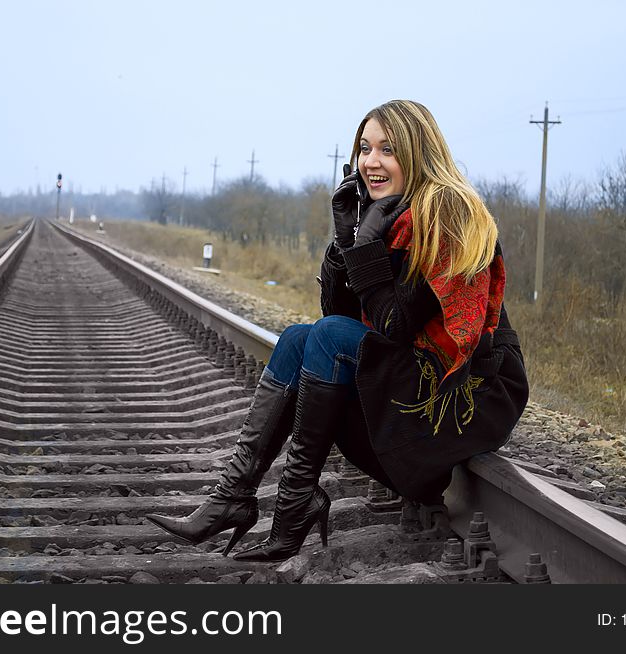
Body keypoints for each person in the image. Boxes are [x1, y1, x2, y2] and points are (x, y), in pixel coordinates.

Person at [146, 100, 529, 563]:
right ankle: (235, 495)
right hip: (417, 377)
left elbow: (392, 328)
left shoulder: (446, 216)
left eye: (388, 149)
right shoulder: (389, 215)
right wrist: (344, 240)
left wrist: (365, 246)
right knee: (297, 338)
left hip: (468, 394)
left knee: (324, 336)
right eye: (365, 148)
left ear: (418, 153)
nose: (371, 161)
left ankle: (293, 505)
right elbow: (343, 315)